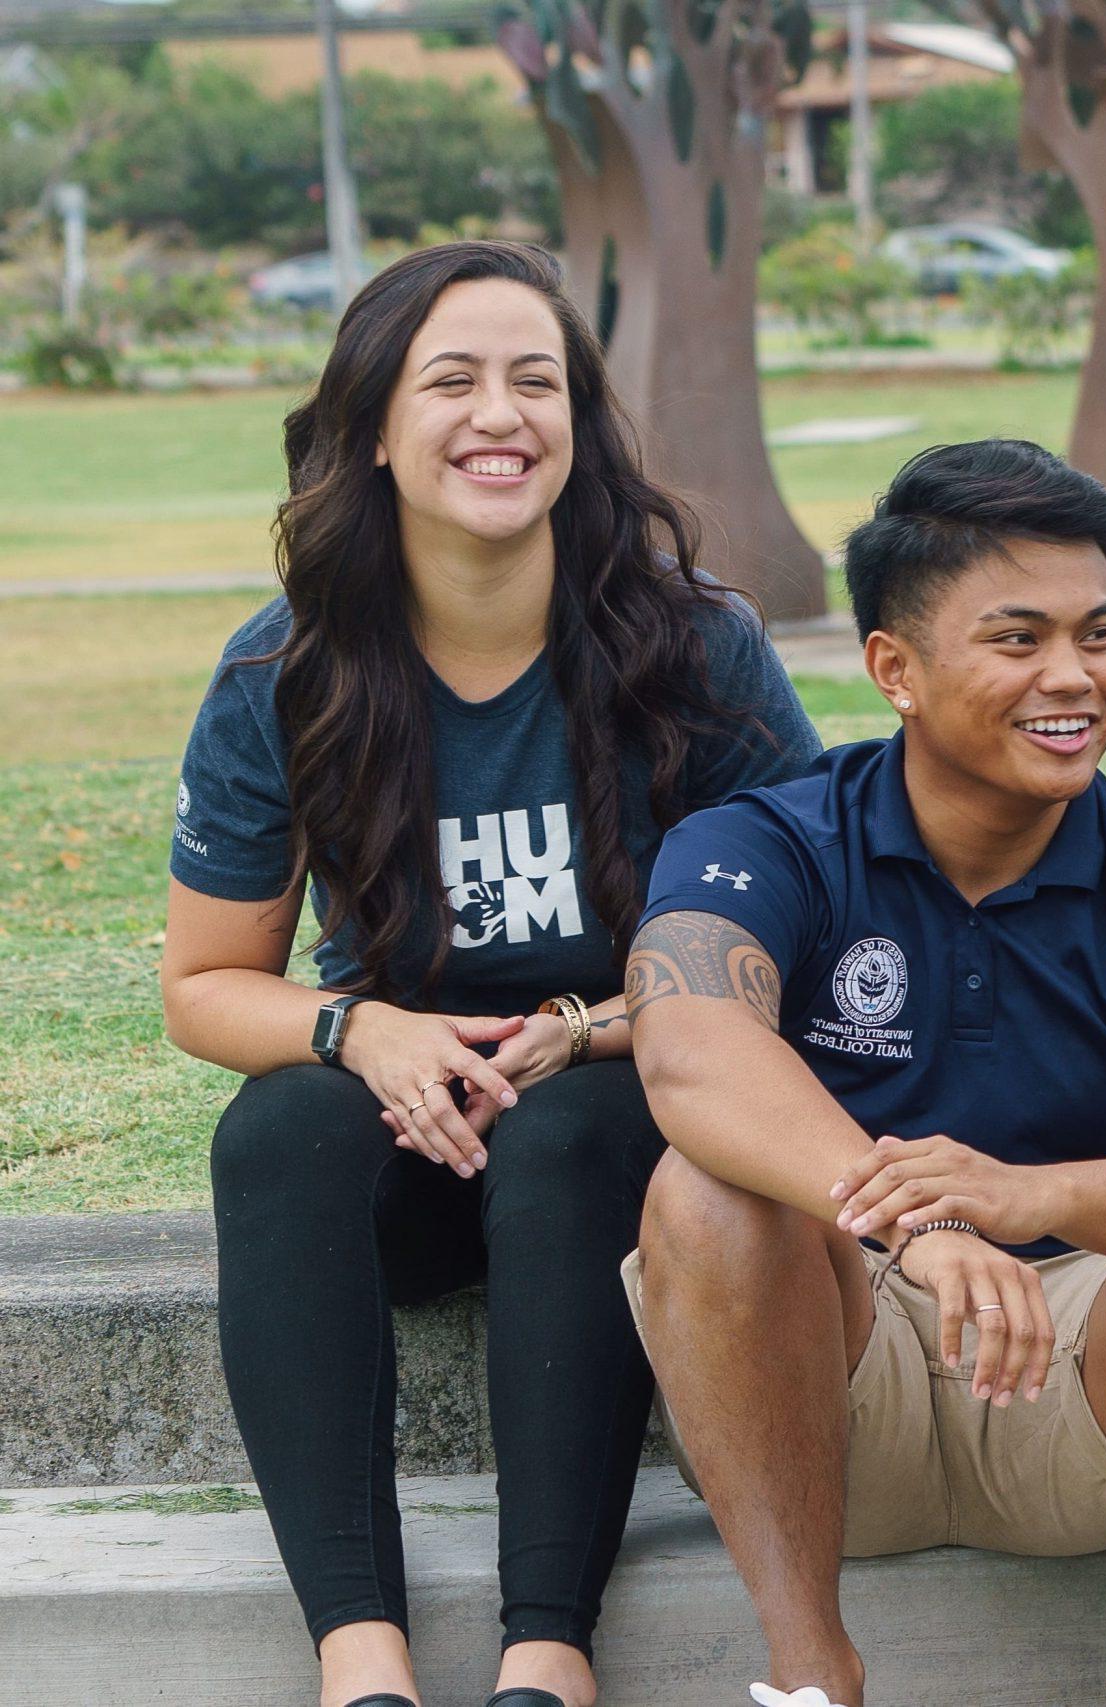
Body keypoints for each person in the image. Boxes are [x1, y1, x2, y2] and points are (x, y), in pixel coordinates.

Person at [160, 240, 822, 1707]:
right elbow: (207, 983)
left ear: (580, 421)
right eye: (448, 380)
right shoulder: (285, 671)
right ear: (375, 428)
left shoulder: (692, 645)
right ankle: (362, 1655)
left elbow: (816, 928)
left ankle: (548, 1652)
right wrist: (361, 1029)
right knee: (275, 1129)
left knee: (583, 1129)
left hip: (624, 1113)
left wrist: (589, 1030)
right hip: (417, 1130)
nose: (497, 413)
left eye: (536, 378)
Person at [620, 439, 1106, 1707]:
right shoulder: (762, 841)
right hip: (829, 1390)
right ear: (894, 668)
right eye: (1017, 640)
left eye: (1100, 635)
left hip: (1078, 1379)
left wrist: (1025, 1198)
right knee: (706, 1194)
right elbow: (689, 1055)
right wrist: (922, 1219)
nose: (1072, 678)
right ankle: (811, 1675)